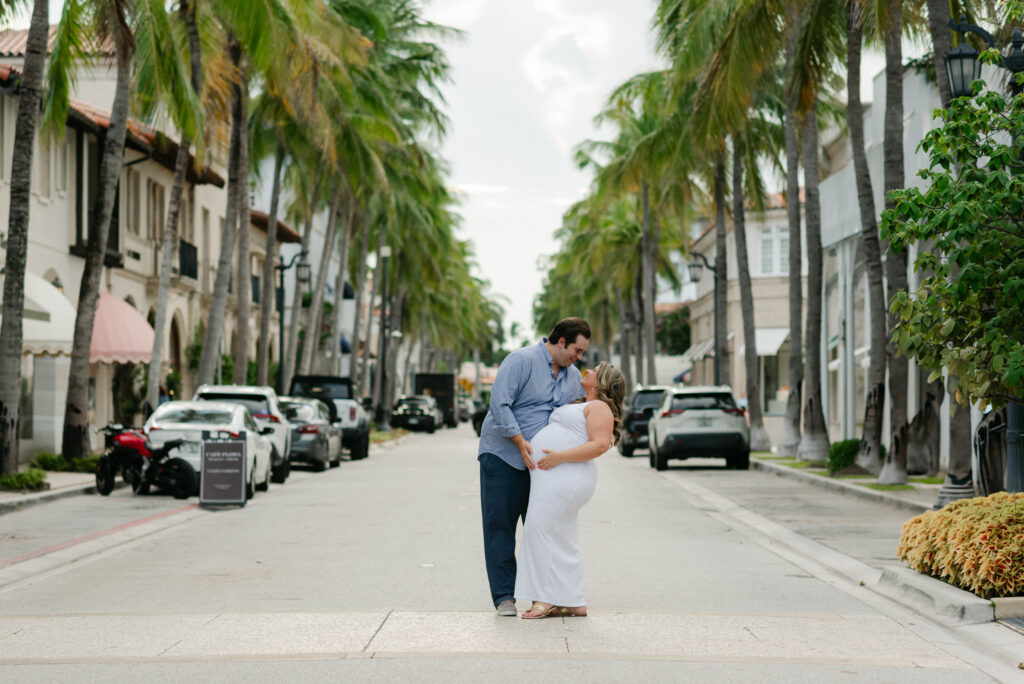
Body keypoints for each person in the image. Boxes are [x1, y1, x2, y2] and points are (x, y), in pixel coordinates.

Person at [478, 317, 591, 616]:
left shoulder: (572, 375)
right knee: (500, 527)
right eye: (577, 351)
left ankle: (545, 594)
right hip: (503, 455)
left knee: (541, 527)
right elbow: (499, 403)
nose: (578, 358)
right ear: (562, 341)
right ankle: (504, 597)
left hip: (541, 465)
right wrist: (518, 441)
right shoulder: (521, 360)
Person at [514, 362, 626, 619]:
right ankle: (572, 601)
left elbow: (600, 445)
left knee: (538, 530)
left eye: (595, 369)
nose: (589, 369)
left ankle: (545, 599)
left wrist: (560, 457)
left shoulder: (599, 407)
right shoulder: (582, 403)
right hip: (556, 476)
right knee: (561, 536)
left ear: (602, 383)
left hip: (567, 475)